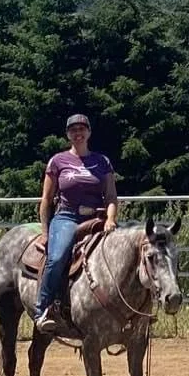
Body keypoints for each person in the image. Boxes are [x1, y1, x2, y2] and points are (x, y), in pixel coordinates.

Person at [32, 114, 119, 335]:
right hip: (67, 217)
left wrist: (110, 220)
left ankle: (130, 310)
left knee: (128, 251)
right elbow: (46, 199)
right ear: (68, 134)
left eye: (82, 129)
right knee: (58, 255)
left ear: (89, 132)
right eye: (73, 130)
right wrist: (45, 231)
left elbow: (110, 197)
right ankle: (42, 309)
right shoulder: (58, 161)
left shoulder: (102, 162)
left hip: (97, 218)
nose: (78, 133)